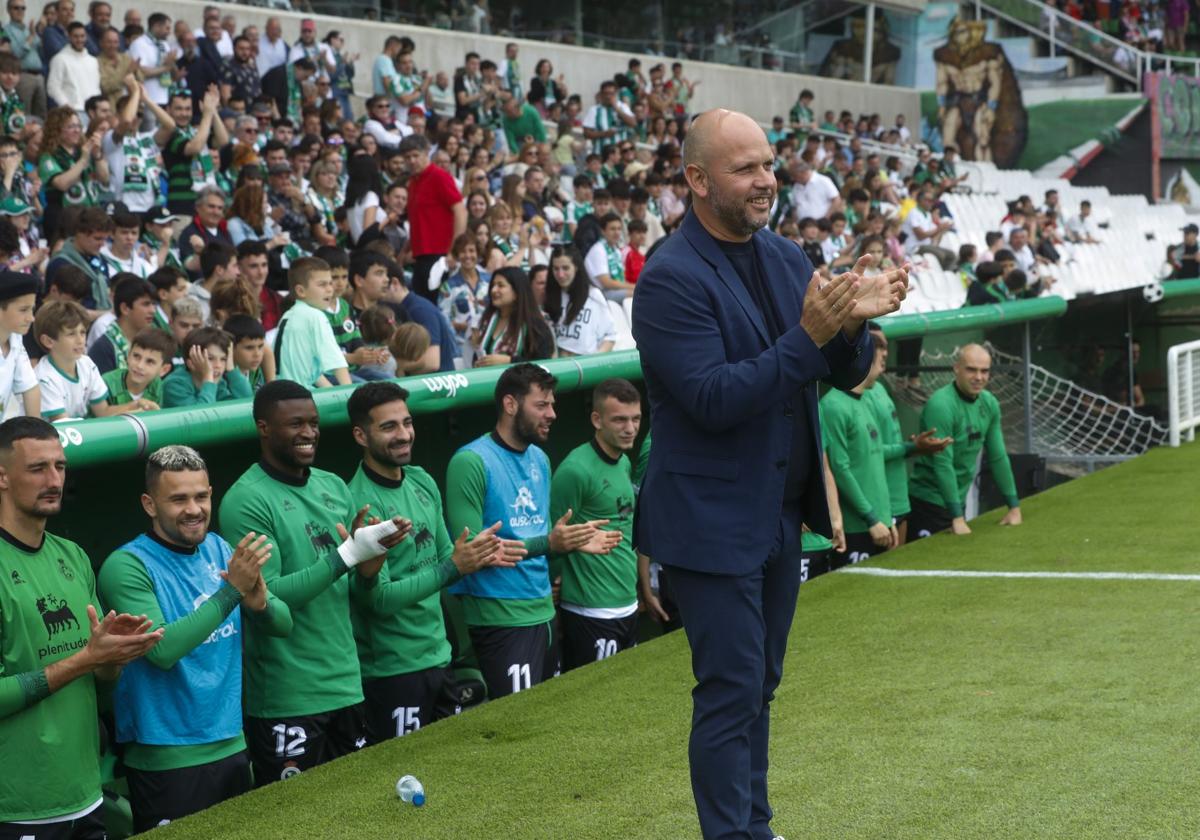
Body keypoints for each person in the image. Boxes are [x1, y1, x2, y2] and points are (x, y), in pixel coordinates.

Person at [630, 108, 906, 840]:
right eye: (745, 169)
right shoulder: (667, 280)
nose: (765, 181)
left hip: (780, 515)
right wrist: (814, 334)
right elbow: (716, 398)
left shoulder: (786, 258)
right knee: (729, 689)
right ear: (696, 180)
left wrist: (854, 326)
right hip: (708, 519)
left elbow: (840, 372)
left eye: (767, 164)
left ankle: (756, 825)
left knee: (761, 685)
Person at [218, 379, 410, 785]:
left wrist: (369, 562)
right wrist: (345, 556)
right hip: (288, 697)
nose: (308, 433)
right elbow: (266, 595)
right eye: (295, 424)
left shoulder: (332, 485)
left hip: (346, 682)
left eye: (314, 422)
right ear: (264, 428)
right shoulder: (247, 499)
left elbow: (358, 591)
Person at [97, 445, 291, 832]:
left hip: (232, 744)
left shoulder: (220, 549)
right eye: (179, 499)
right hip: (166, 757)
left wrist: (260, 602)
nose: (194, 509)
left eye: (201, 496)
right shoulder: (127, 565)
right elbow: (162, 649)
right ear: (149, 504)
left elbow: (282, 624)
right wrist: (231, 591)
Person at [0, 416, 163, 834]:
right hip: (17, 806)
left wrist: (112, 657)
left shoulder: (71, 555)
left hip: (85, 793)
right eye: (38, 468)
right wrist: (86, 658)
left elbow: (101, 679)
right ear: (2, 477)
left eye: (60, 466)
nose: (54, 479)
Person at [346, 382, 518, 742]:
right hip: (392, 671)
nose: (404, 434)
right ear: (361, 435)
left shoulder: (421, 480)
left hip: (439, 657)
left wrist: (480, 555)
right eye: (389, 426)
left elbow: (445, 557)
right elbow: (378, 600)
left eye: (407, 423)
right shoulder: (359, 502)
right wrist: (454, 566)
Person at [444, 363, 620, 699]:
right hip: (501, 617)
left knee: (547, 721)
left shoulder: (539, 458)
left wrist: (567, 544)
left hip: (544, 611)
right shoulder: (470, 461)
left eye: (552, 405)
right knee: (515, 730)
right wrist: (551, 543)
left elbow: (543, 535)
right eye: (541, 405)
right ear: (510, 405)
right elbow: (476, 551)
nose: (552, 414)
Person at [550, 377, 641, 671]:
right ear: (596, 419)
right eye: (619, 420)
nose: (630, 428)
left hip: (627, 602)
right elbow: (552, 536)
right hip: (590, 611)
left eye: (636, 419)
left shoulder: (624, 461)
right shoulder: (575, 471)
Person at [908, 343, 1022, 538]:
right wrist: (957, 517)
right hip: (928, 503)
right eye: (971, 370)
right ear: (956, 368)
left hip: (957, 502)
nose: (979, 377)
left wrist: (1014, 507)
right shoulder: (941, 405)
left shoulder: (989, 403)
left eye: (984, 371)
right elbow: (943, 464)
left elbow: (998, 457)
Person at [860, 323, 950, 546]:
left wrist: (912, 445)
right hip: (879, 501)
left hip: (899, 497)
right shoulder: (857, 396)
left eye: (886, 345)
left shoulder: (878, 389)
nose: (885, 352)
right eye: (879, 345)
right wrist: (911, 447)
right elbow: (869, 452)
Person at [819, 339, 896, 565]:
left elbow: (874, 461)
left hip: (878, 522)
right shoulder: (833, 406)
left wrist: (884, 516)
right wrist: (871, 518)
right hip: (857, 527)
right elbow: (839, 469)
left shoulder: (866, 399)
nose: (883, 365)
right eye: (880, 358)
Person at [400, 133, 466, 302]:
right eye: (408, 157)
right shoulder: (413, 183)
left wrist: (454, 251)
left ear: (426, 153)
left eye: (416, 155)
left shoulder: (439, 177)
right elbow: (418, 222)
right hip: (421, 256)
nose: (412, 160)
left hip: (440, 255)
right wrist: (404, 251)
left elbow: (460, 211)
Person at [274, 256, 351, 388]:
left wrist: (332, 391)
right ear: (301, 291)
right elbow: (337, 363)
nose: (329, 289)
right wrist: (350, 396)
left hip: (282, 392)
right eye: (322, 284)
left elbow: (311, 373)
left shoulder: (288, 315)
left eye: (330, 283)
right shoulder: (315, 316)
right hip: (300, 397)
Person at [472, 266, 555, 366]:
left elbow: (543, 364)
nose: (493, 290)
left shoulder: (535, 326)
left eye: (500, 285)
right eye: (493, 285)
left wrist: (510, 361)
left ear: (517, 292)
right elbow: (477, 356)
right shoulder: (487, 321)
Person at [546, 244, 615, 357]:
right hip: (557, 365)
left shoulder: (593, 295)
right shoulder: (549, 296)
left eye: (565, 268)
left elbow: (610, 336)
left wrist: (594, 361)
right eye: (556, 269)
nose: (560, 274)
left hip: (586, 366)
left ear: (576, 267)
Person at [162, 326, 252, 407]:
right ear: (191, 363)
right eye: (210, 358)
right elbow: (202, 418)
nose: (218, 365)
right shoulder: (175, 385)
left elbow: (247, 403)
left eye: (223, 359)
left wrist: (232, 370)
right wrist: (208, 380)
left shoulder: (218, 382)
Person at [88, 275, 156, 374]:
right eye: (146, 304)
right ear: (125, 308)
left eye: (154, 304)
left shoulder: (153, 339)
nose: (153, 310)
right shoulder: (104, 348)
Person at [100, 327, 173, 409]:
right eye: (136, 356)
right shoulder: (105, 383)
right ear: (128, 355)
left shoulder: (158, 386)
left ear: (164, 370)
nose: (140, 366)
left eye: (150, 361)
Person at [0, 269, 39, 418]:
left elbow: (30, 388)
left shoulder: (15, 338)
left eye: (32, 309)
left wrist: (37, 433)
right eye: (23, 310)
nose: (31, 318)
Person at [45, 21, 96, 114]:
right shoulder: (59, 59)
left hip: (94, 111)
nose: (79, 40)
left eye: (82, 36)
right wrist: (66, 106)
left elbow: (96, 87)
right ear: (68, 37)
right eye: (76, 36)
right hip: (74, 111)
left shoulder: (93, 61)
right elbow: (52, 87)